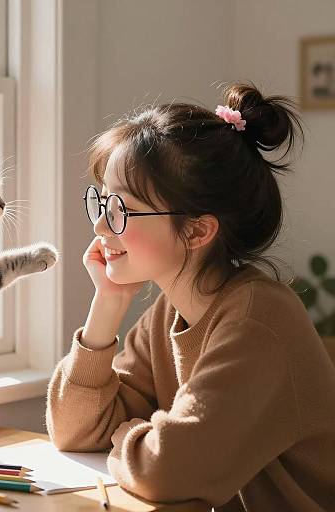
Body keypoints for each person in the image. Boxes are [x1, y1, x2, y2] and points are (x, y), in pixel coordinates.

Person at [46, 83, 335, 512]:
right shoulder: (171, 310)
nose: (100, 228)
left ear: (198, 231)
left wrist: (126, 434)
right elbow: (76, 430)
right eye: (101, 202)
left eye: (121, 210)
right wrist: (107, 304)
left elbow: (165, 472)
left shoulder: (257, 321)